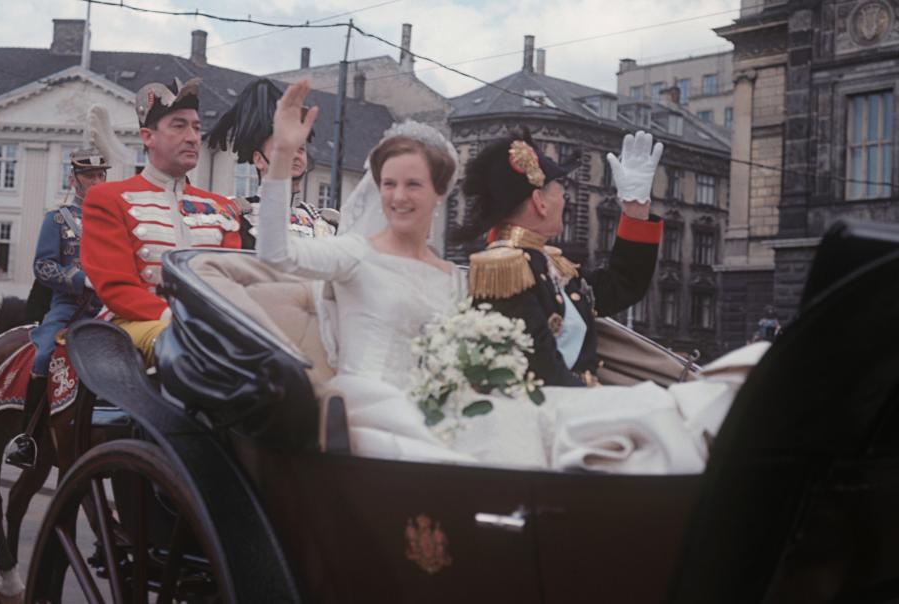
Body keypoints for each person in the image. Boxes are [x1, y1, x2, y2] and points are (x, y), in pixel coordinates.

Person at [257, 81, 761, 472]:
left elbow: (616, 287)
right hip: (376, 406)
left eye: (413, 184)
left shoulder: (454, 277)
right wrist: (282, 154)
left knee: (642, 411)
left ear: (437, 194)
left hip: (452, 403)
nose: (397, 196)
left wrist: (635, 206)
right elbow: (276, 253)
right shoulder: (358, 254)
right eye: (389, 184)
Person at [460, 132, 662, 387]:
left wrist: (635, 211)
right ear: (539, 203)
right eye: (560, 192)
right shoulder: (505, 269)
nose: (565, 201)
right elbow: (543, 373)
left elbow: (622, 286)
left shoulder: (547, 262)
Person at [81, 77, 241, 367]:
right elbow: (117, 288)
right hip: (137, 323)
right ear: (147, 136)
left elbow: (235, 284)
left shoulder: (221, 207)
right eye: (179, 126)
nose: (193, 137)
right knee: (187, 348)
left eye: (196, 127)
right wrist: (183, 320)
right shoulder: (108, 198)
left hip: (213, 328)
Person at [5, 148, 108, 469]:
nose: (97, 180)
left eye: (101, 175)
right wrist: (81, 280)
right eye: (90, 175)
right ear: (73, 179)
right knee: (44, 354)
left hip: (107, 309)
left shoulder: (112, 220)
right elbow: (43, 266)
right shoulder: (57, 219)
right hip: (68, 308)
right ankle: (28, 438)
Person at [205, 77, 337, 249]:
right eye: (283, 148)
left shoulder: (324, 220)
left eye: (300, 149)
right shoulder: (237, 214)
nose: (295, 155)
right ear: (259, 160)